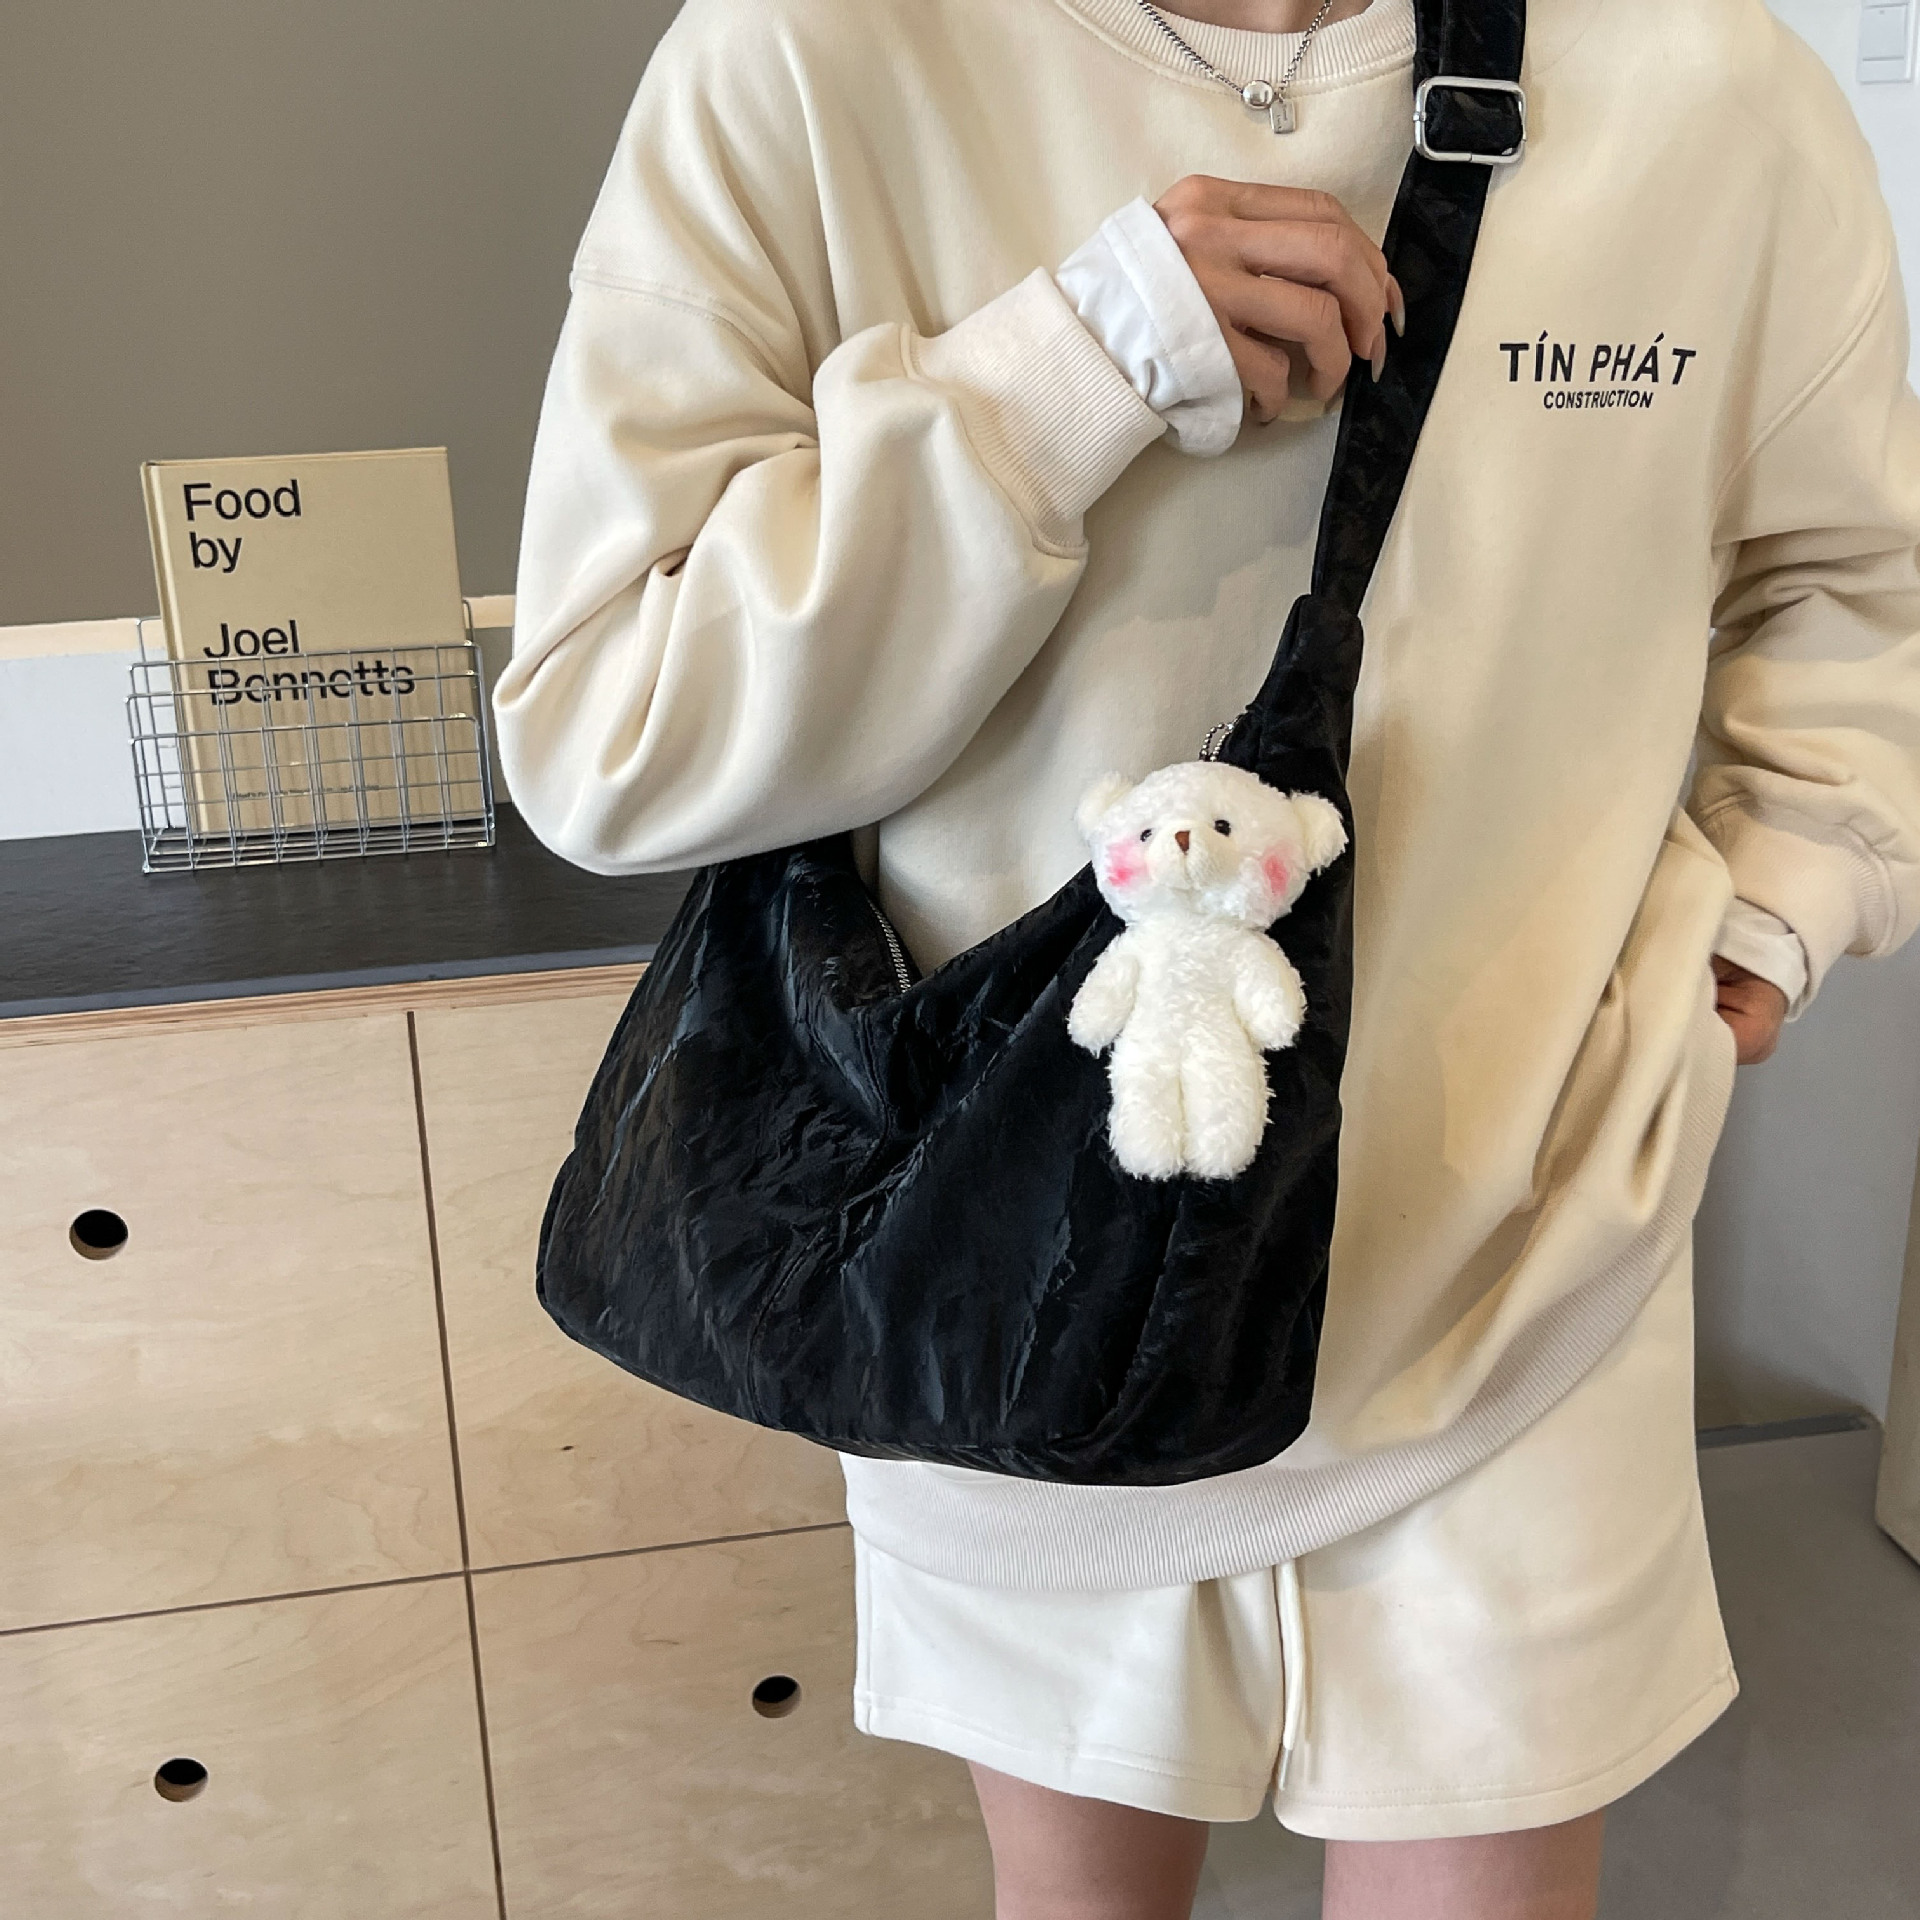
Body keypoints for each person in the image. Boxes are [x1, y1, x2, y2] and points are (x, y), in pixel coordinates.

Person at [493, 0, 1920, 1912]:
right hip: (1013, 1273)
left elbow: (1852, 577)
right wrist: (1065, 369)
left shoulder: (1703, 85)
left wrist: (1790, 887)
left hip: (1532, 1242)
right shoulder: (812, 56)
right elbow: (611, 727)